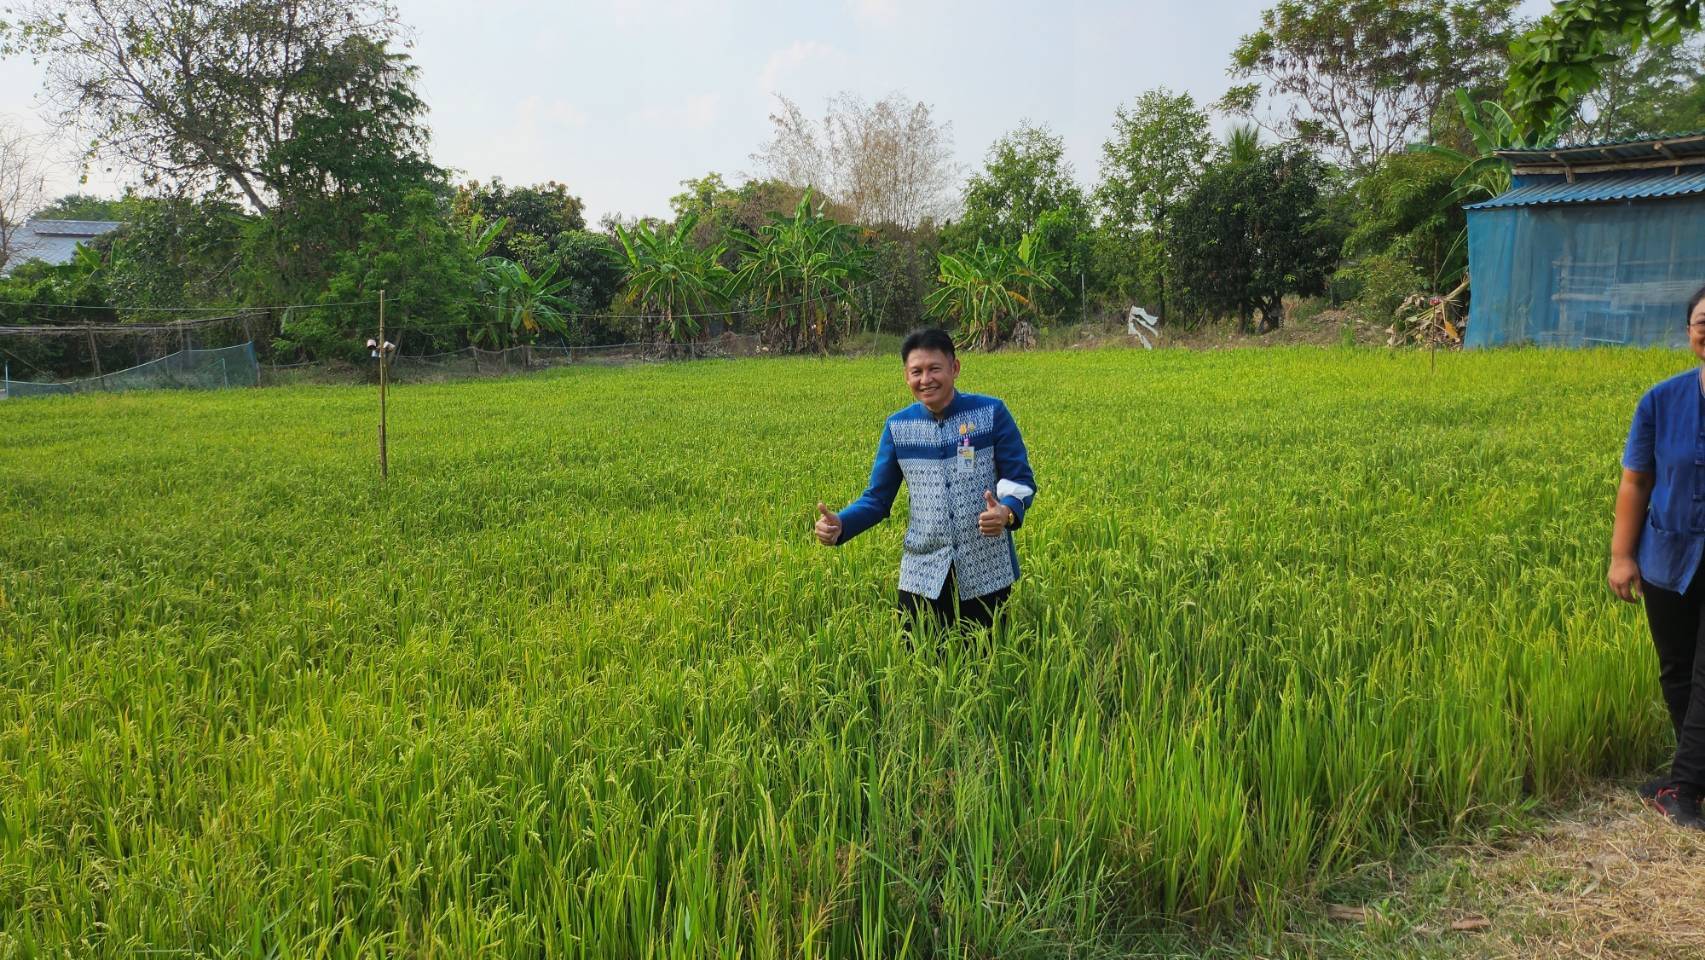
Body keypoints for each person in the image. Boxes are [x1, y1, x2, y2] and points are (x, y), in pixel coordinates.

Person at [814, 327, 1036, 629]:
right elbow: (877, 499)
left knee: (987, 661)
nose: (925, 379)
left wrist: (1006, 511)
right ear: (906, 377)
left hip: (986, 568)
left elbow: (1019, 478)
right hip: (923, 571)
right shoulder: (898, 428)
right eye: (916, 371)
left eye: (934, 369)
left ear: (954, 368)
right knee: (919, 661)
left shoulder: (991, 413)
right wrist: (842, 524)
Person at [1610, 284, 1705, 829]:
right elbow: (1636, 480)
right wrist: (1623, 556)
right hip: (1667, 554)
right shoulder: (1660, 401)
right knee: (1677, 671)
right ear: (1689, 331)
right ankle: (1691, 772)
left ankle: (1684, 788)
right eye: (1702, 321)